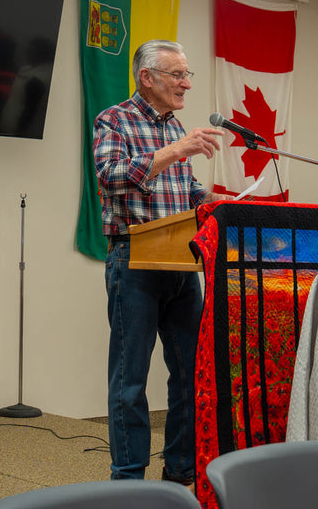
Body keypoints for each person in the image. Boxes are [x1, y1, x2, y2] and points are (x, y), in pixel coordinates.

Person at [92, 40, 225, 482]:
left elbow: (183, 194)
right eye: (177, 74)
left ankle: (181, 471)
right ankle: (128, 479)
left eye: (188, 75)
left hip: (183, 264)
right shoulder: (114, 120)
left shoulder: (175, 128)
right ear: (147, 77)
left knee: (190, 374)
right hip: (135, 263)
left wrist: (218, 202)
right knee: (131, 381)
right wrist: (175, 151)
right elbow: (111, 177)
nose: (186, 83)